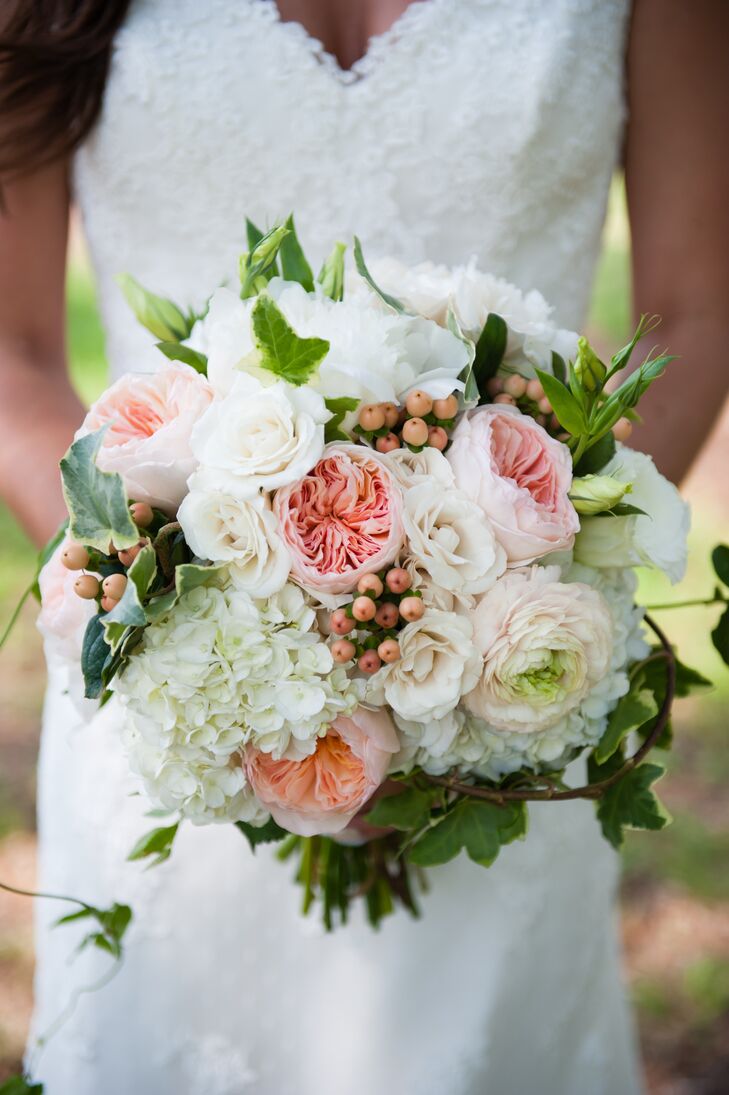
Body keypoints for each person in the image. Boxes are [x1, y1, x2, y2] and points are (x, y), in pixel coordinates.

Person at [0, 1, 727, 1092]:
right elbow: (11, 352)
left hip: (503, 693)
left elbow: (692, 307)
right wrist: (170, 607)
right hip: (172, 708)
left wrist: (518, 595)